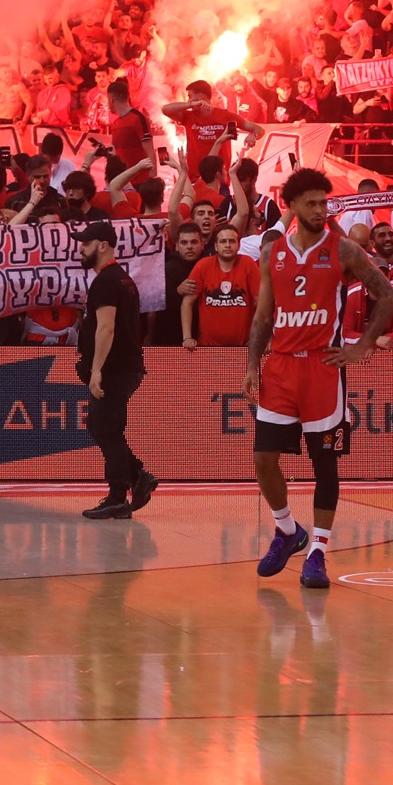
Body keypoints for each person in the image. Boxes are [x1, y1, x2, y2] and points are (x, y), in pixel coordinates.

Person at [246, 168, 393, 589]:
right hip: (279, 367)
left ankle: (318, 553)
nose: (319, 210)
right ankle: (288, 531)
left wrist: (362, 346)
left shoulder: (344, 249)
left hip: (322, 369)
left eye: (323, 202)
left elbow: (386, 295)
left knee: (324, 464)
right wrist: (250, 365)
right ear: (291, 206)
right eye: (310, 203)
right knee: (263, 459)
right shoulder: (270, 252)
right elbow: (262, 316)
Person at [74, 221, 160, 520]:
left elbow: (106, 328)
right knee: (103, 427)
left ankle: (118, 496)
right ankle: (137, 477)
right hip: (125, 367)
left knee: (105, 428)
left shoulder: (108, 282)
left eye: (86, 243)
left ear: (102, 245)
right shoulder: (120, 279)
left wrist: (96, 370)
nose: (81, 248)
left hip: (115, 369)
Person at [182, 223, 262, 349]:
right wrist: (187, 337)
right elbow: (187, 303)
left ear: (238, 245)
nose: (228, 245)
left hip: (243, 347)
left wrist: (261, 337)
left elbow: (262, 303)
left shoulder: (248, 264)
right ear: (216, 246)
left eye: (231, 241)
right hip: (207, 347)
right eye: (223, 241)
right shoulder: (203, 266)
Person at [161, 80, 262, 177]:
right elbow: (165, 110)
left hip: (219, 180)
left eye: (190, 97)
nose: (188, 100)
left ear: (200, 96)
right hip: (195, 178)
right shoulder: (189, 116)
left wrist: (252, 134)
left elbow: (259, 130)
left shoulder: (225, 116)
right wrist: (191, 104)